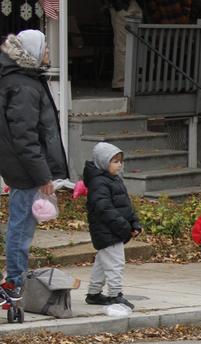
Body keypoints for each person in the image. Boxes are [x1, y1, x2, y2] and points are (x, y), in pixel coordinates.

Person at [0, 30, 69, 298]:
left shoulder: (21, 80)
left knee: (20, 225)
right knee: (21, 228)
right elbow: (26, 137)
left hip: (20, 166)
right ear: (32, 52)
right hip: (25, 169)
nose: (49, 54)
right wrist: (43, 175)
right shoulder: (24, 86)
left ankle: (14, 280)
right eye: (46, 49)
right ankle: (13, 283)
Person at [83, 142, 141, 309]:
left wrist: (134, 222)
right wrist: (124, 227)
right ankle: (115, 294)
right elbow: (104, 208)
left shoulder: (114, 180)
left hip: (115, 229)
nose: (119, 165)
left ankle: (93, 293)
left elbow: (125, 206)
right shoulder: (99, 183)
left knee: (102, 263)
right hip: (107, 231)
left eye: (120, 161)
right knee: (116, 263)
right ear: (103, 162)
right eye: (115, 161)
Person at [110, 0, 143, 89]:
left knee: (134, 47)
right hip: (123, 6)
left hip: (132, 5)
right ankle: (121, 82)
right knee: (122, 47)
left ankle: (130, 81)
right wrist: (120, 7)